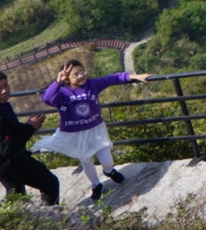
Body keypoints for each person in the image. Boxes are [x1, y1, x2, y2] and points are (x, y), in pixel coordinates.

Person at [32, 62, 150, 201]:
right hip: (76, 134)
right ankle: (95, 184)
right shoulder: (61, 93)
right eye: (76, 74)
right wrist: (58, 81)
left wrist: (134, 76)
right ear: (67, 78)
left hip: (96, 129)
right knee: (86, 161)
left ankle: (109, 171)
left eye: (82, 71)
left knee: (107, 160)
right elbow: (47, 98)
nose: (81, 76)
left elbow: (112, 78)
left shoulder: (92, 85)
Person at [0, 70, 58, 206]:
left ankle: (25, 217)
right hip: (12, 164)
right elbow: (8, 149)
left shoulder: (4, 107)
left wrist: (29, 127)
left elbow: (10, 132)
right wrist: (29, 127)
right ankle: (49, 215)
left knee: (18, 197)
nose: (4, 91)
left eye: (5, 85)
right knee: (50, 183)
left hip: (10, 164)